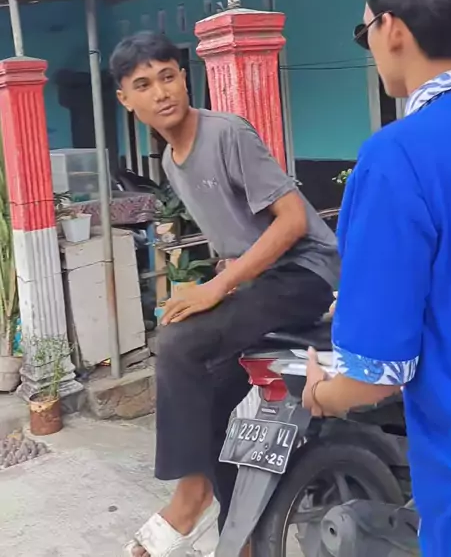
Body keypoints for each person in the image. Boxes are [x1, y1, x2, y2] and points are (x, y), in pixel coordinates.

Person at [110, 31, 340, 557]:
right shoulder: (171, 163)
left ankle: (190, 496)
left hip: (305, 273)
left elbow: (292, 221)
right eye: (144, 85)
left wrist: (219, 287)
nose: (161, 92)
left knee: (178, 342)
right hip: (262, 282)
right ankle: (242, 536)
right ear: (126, 100)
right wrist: (220, 277)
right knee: (209, 399)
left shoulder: (227, 132)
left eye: (168, 76)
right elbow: (236, 241)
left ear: (184, 78)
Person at [302, 0, 451, 557]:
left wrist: (320, 393)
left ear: (394, 28)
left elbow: (376, 376)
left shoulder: (396, 159)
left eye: (366, 30)